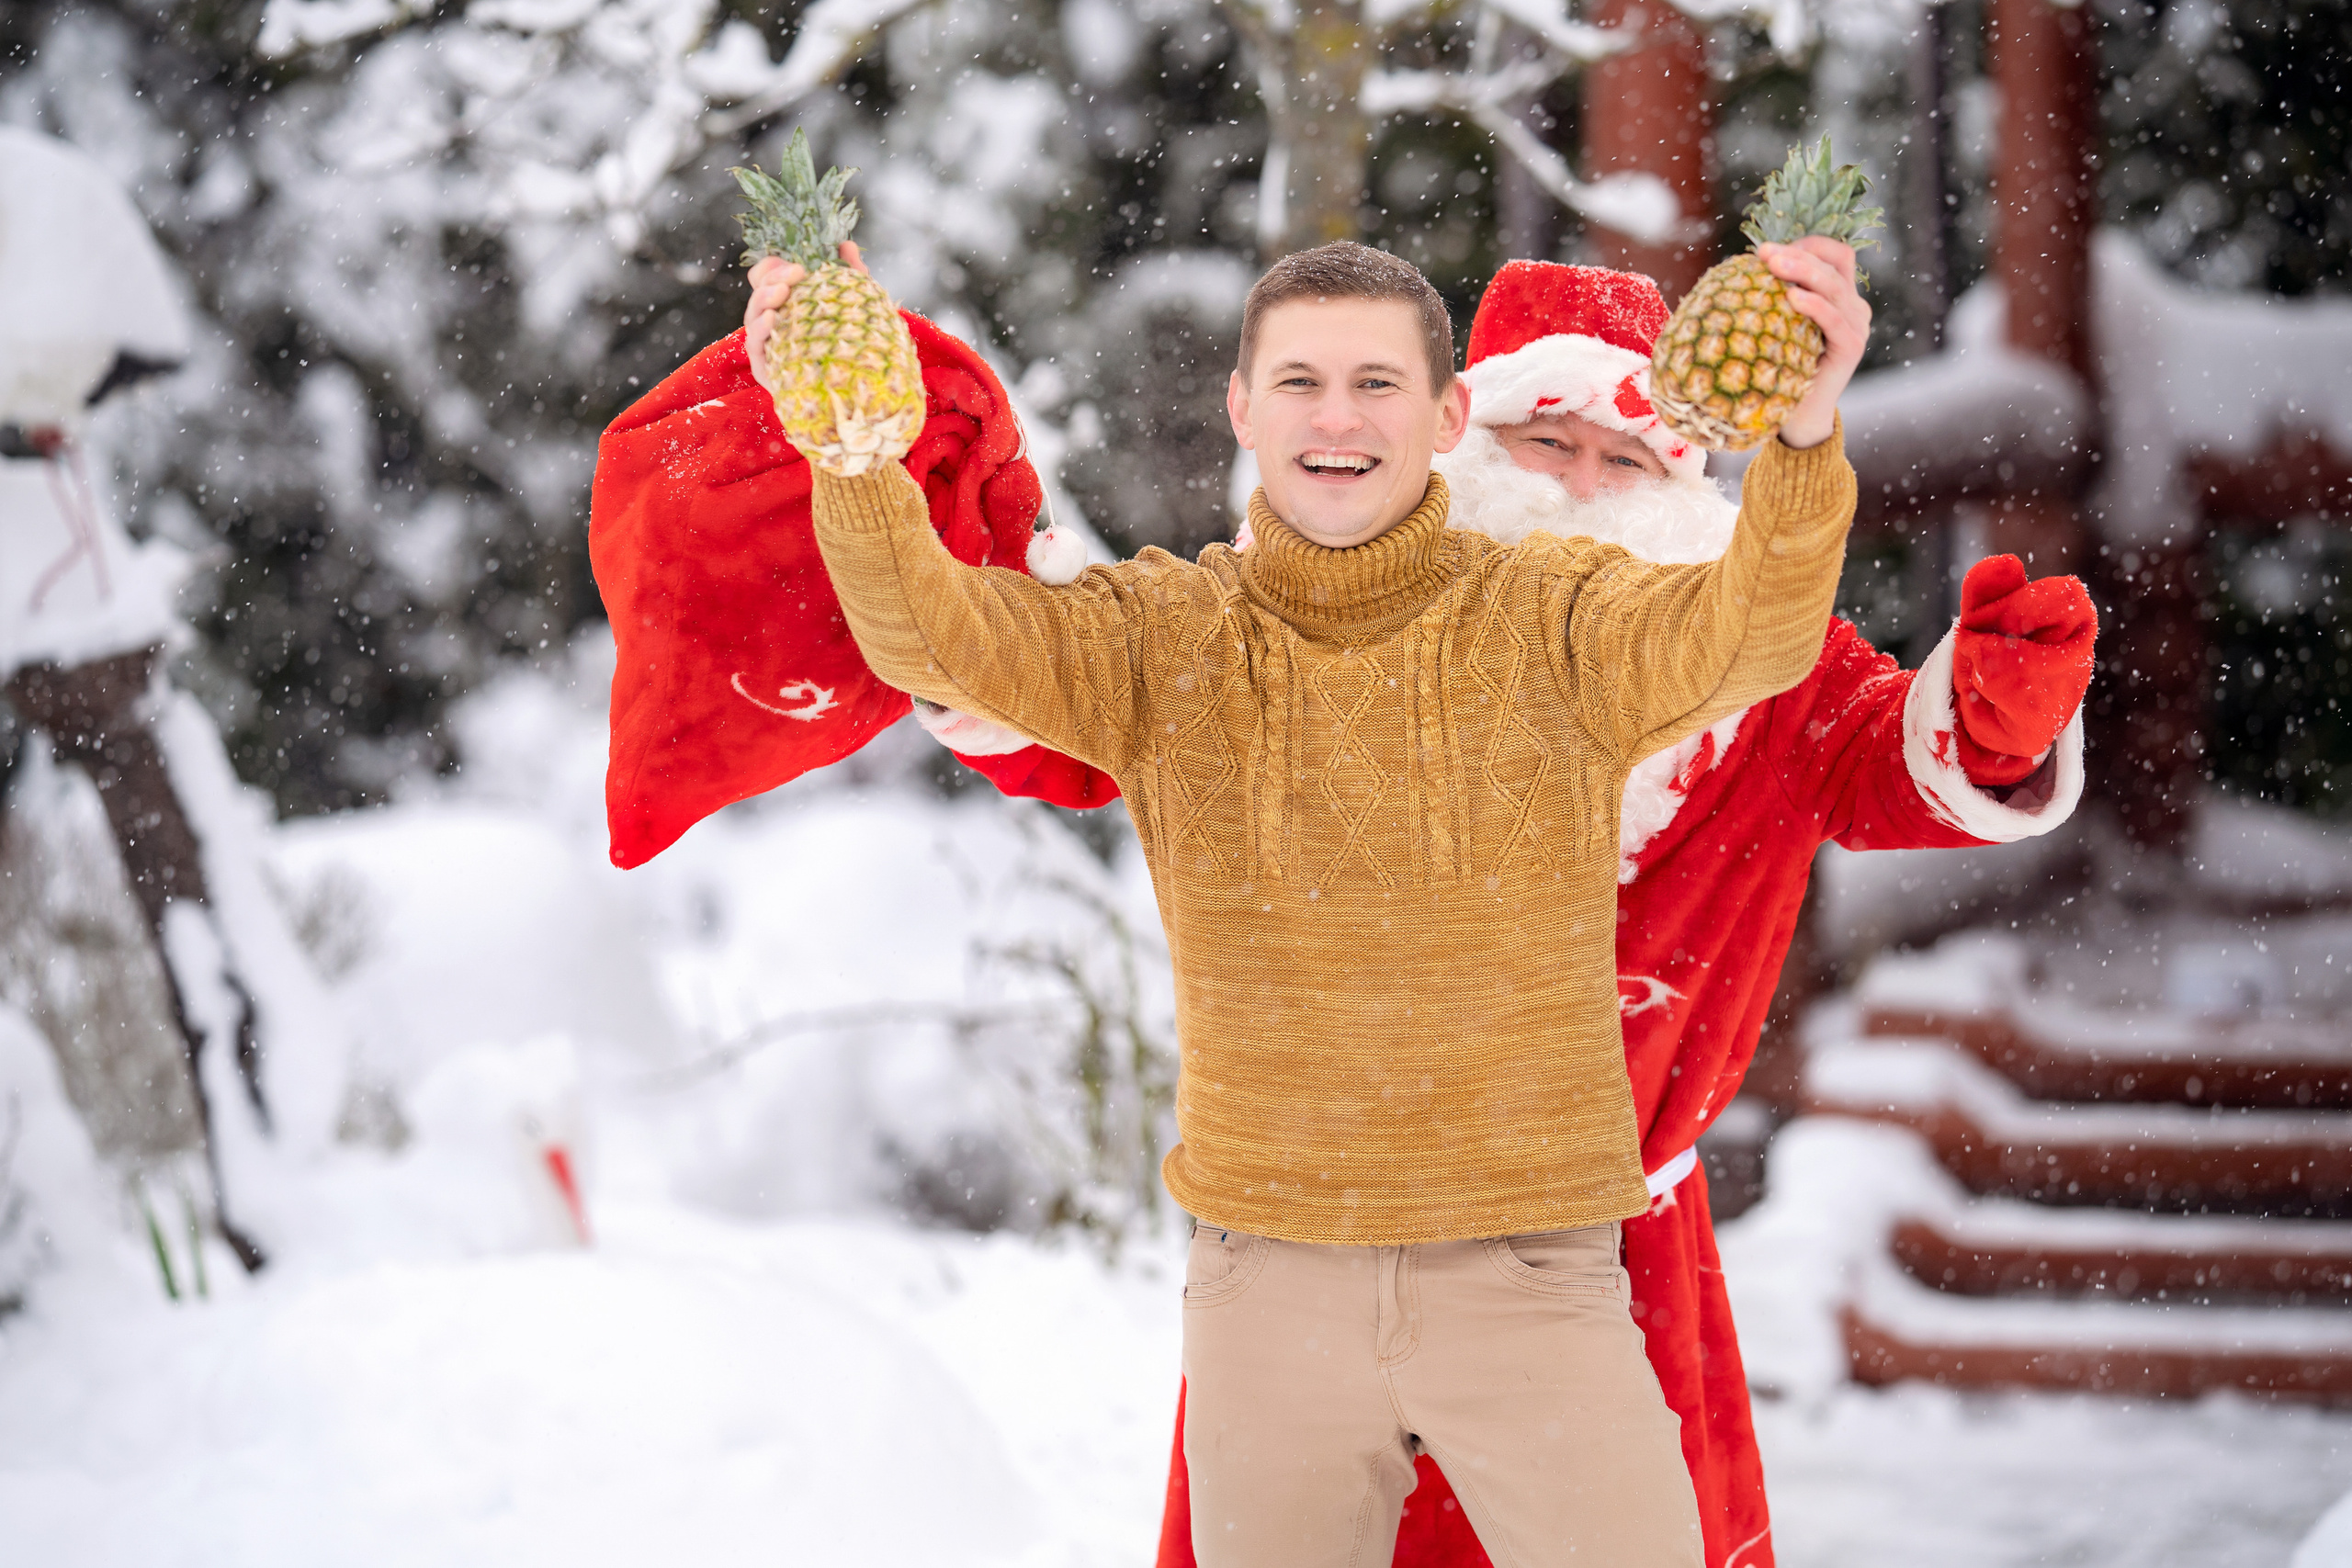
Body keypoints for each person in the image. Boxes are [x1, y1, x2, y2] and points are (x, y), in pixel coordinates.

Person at [910, 260, 2097, 1568]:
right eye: (1550, 440)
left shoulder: (1756, 668)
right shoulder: (1295, 614)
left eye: (1629, 457)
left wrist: (1988, 719)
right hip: (1326, 1230)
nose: (1583, 487)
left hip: (1610, 1257)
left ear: (1686, 484)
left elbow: (1891, 759)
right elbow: (1069, 728)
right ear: (1465, 432)